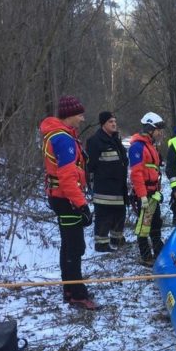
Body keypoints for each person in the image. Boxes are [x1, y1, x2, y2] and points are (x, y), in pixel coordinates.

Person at [40, 95, 98, 310]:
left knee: (69, 246)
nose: (82, 119)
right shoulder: (63, 140)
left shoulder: (59, 136)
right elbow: (66, 178)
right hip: (66, 199)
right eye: (80, 115)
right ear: (69, 115)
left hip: (60, 197)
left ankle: (70, 289)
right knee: (75, 247)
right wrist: (82, 205)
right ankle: (77, 294)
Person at [86, 111, 129, 252]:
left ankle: (117, 239)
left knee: (119, 213)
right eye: (111, 122)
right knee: (104, 215)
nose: (114, 124)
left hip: (118, 185)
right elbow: (90, 166)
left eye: (115, 121)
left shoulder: (116, 139)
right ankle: (101, 244)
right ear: (103, 124)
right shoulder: (95, 141)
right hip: (104, 187)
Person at [129, 112, 166, 267]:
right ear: (150, 129)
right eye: (158, 129)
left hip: (153, 192)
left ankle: (158, 250)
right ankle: (145, 256)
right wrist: (142, 196)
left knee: (156, 222)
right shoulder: (137, 147)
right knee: (144, 226)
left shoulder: (150, 145)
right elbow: (136, 173)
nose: (160, 133)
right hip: (144, 193)